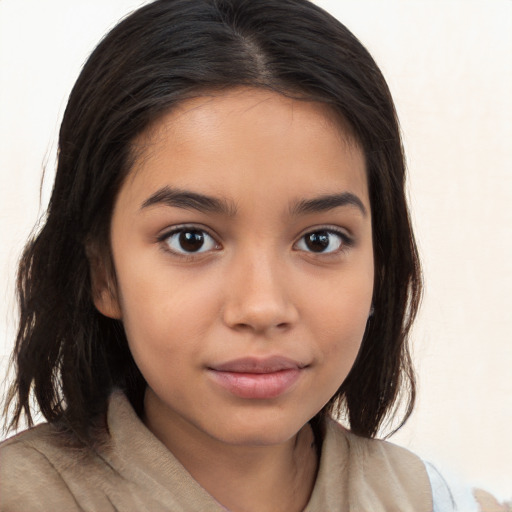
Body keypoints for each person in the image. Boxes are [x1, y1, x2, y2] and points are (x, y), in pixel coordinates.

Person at [0, 0, 505, 510]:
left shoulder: (445, 503)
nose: (261, 308)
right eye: (191, 239)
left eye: (320, 240)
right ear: (103, 273)